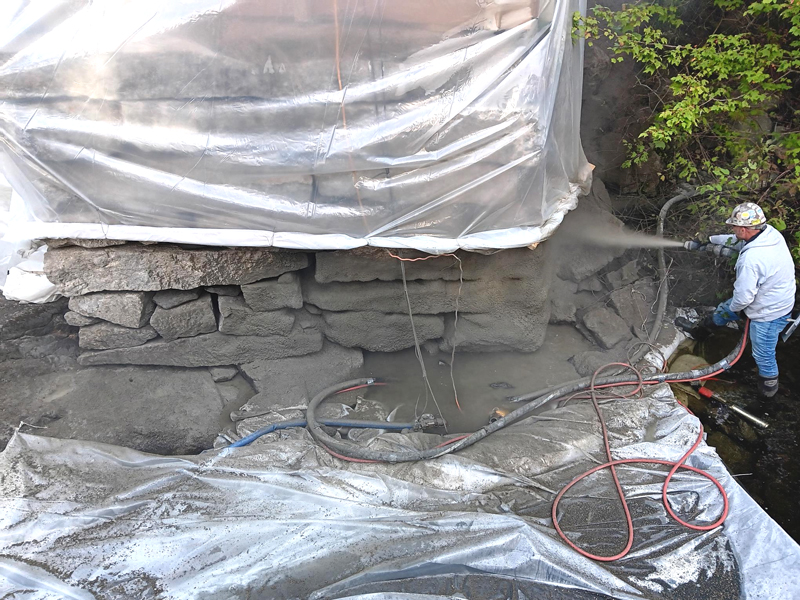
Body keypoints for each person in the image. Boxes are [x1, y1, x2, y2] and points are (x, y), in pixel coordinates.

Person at [677, 202, 796, 397]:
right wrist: (708, 241)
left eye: (734, 226)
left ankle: (768, 390)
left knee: (763, 353)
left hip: (769, 312)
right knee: (724, 310)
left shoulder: (752, 259)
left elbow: (743, 298)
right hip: (775, 298)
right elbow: (735, 241)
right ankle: (700, 332)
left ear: (743, 228)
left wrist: (736, 309)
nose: (732, 228)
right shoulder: (769, 234)